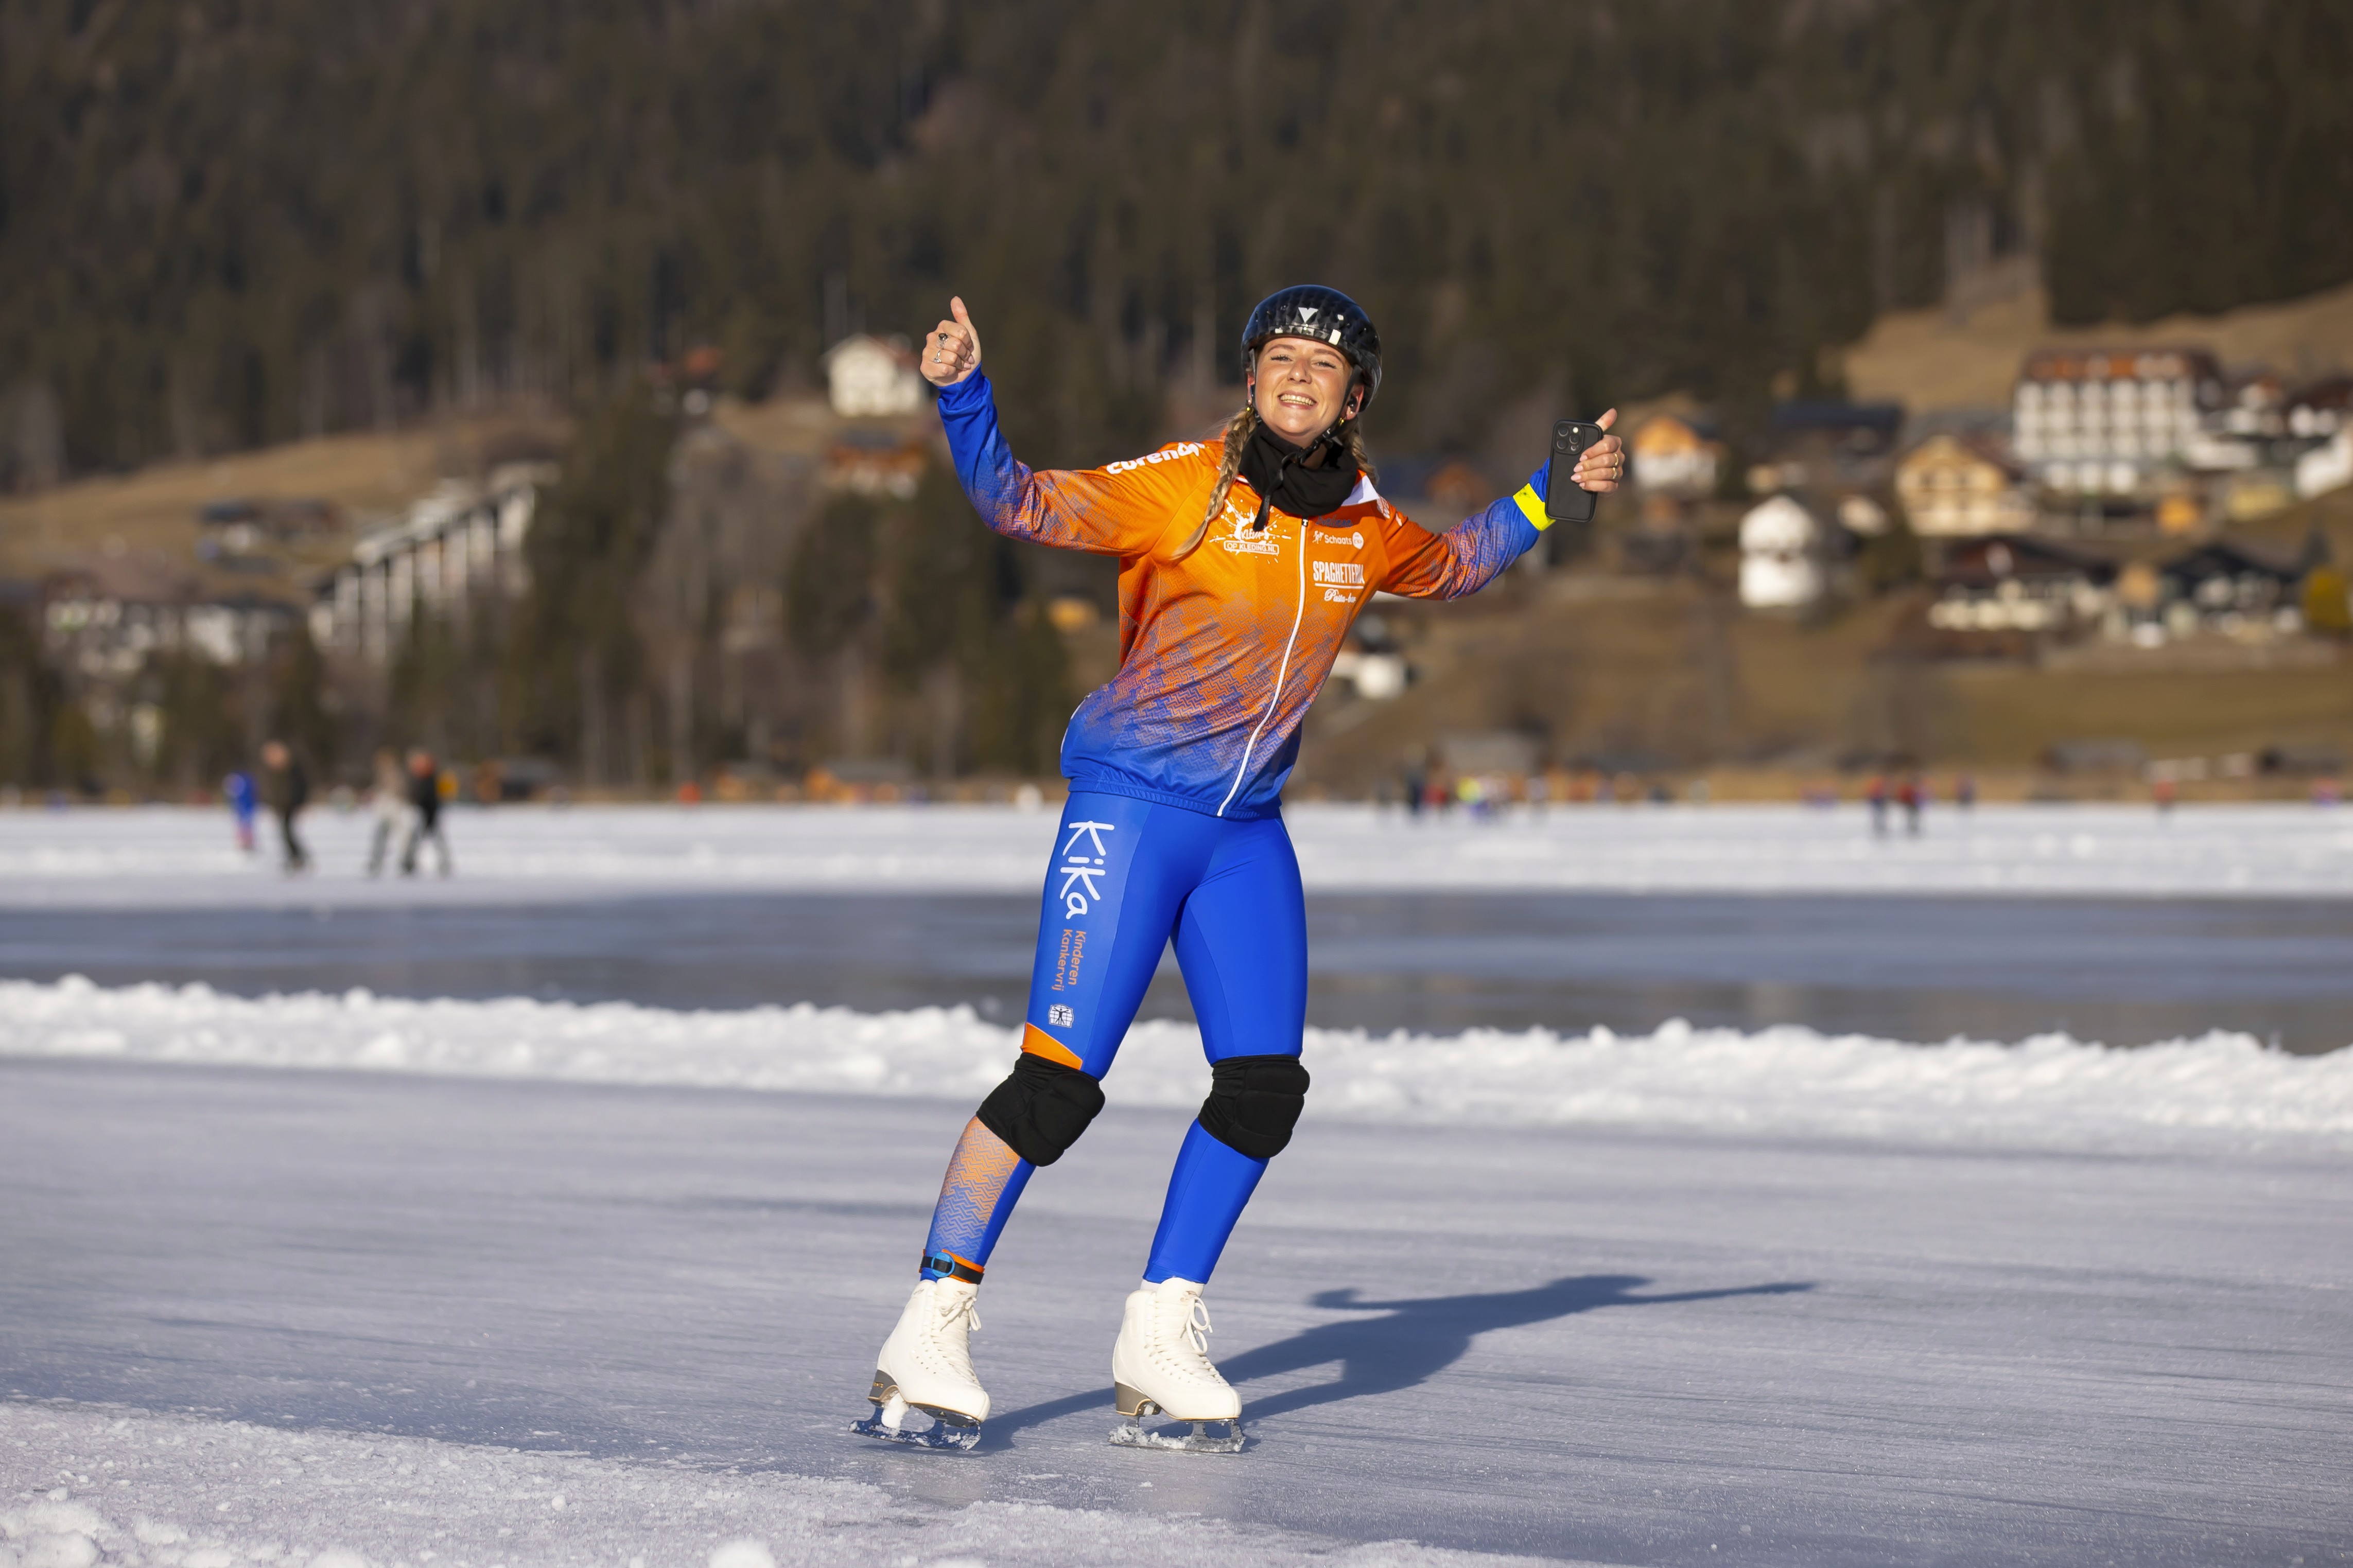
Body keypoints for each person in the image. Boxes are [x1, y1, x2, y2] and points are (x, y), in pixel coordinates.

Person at [852, 287, 1623, 1453]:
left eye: (1325, 362)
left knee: (1264, 1089)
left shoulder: (1364, 525)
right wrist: (963, 393)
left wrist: (1549, 492)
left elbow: (1457, 566)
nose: (1300, 374)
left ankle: (1159, 1327)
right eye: (1280, 356)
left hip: (1245, 835)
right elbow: (1017, 503)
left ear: (1356, 396)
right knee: (1057, 1085)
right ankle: (934, 1318)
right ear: (1252, 375)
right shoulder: (1179, 484)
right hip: (1131, 813)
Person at [258, 740, 309, 873]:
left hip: (291, 804)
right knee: (285, 832)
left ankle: (297, 857)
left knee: (287, 831)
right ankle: (294, 857)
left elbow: (300, 788)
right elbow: (274, 791)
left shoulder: (292, 770)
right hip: (281, 805)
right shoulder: (275, 772)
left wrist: (300, 803)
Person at [400, 748, 453, 876]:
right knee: (418, 841)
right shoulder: (421, 779)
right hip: (423, 815)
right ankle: (409, 864)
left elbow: (433, 799)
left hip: (430, 816)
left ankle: (444, 865)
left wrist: (431, 815)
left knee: (435, 842)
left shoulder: (432, 779)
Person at [364, 748, 413, 876]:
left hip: (394, 809)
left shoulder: (395, 773)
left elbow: (399, 790)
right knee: (381, 835)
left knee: (401, 837)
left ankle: (405, 862)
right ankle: (377, 863)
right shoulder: (381, 775)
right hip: (385, 810)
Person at [223, 770, 258, 855]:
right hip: (244, 807)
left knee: (245, 825)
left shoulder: (241, 782)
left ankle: (247, 844)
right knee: (245, 825)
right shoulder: (247, 782)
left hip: (245, 807)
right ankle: (246, 844)